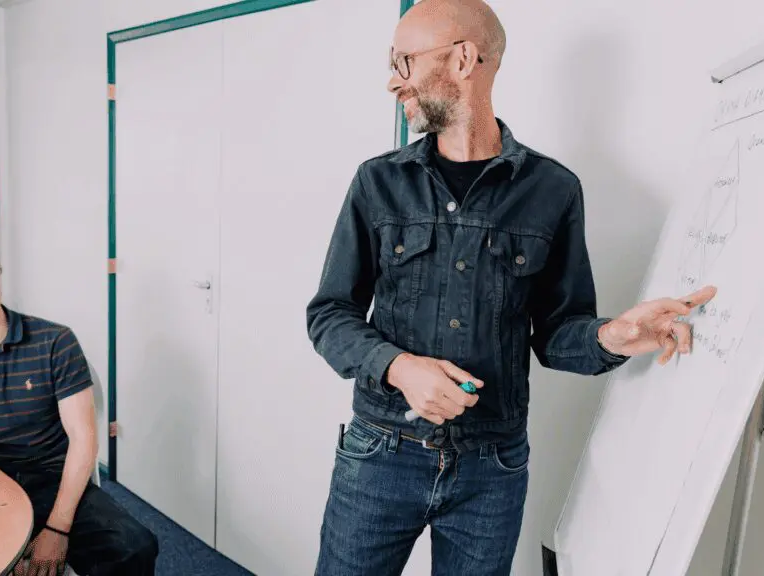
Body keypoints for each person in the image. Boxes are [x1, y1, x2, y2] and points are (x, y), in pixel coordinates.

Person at [304, 0, 717, 574]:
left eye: (404, 62)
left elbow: (556, 334)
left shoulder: (553, 190)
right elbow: (329, 314)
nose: (392, 82)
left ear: (463, 58)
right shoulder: (378, 183)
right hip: (380, 455)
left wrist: (614, 335)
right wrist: (400, 367)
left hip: (491, 471)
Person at [0, 231, 159, 576]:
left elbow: (83, 439)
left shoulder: (55, 340)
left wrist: (57, 530)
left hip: (52, 477)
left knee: (134, 546)